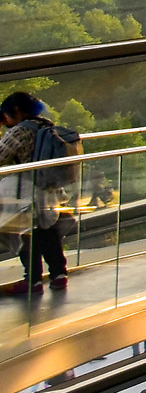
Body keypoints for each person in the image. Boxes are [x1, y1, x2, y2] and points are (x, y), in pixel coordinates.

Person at [0, 92, 70, 294]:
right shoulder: (46, 125)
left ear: (16, 111)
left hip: (25, 192)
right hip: (49, 190)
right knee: (48, 233)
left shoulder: (20, 131)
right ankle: (59, 274)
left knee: (27, 236)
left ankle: (33, 281)